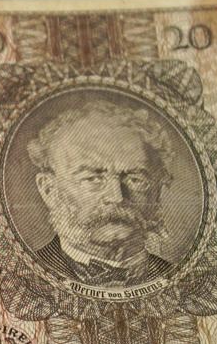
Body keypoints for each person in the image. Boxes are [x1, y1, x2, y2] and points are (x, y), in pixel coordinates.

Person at [28, 98, 174, 287]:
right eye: (92, 179)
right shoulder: (25, 274)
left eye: (135, 179)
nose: (117, 197)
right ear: (49, 190)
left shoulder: (182, 277)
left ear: (157, 189)